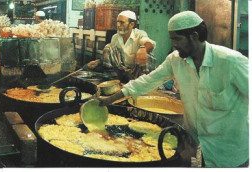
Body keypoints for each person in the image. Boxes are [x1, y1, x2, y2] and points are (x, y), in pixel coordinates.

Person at [99, 11, 248, 167]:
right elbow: (147, 81)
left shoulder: (230, 62)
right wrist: (110, 99)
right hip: (196, 146)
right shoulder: (176, 60)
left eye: (177, 39)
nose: (173, 45)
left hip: (230, 153)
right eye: (172, 39)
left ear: (194, 36)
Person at [86, 10, 156, 83]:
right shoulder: (115, 37)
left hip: (137, 73)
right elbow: (111, 56)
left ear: (131, 24)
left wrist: (143, 49)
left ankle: (145, 84)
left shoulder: (139, 34)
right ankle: (112, 81)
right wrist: (98, 62)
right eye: (117, 22)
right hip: (123, 73)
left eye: (122, 22)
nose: (118, 25)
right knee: (108, 48)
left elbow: (149, 43)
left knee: (149, 54)